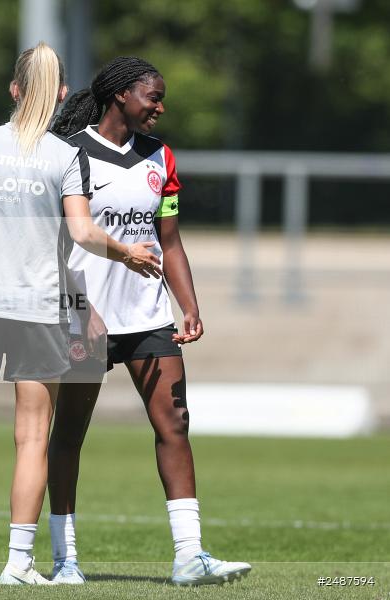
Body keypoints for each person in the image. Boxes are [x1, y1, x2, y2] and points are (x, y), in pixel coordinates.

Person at [0, 43, 163, 585]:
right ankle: (18, 563)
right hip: (41, 309)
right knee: (33, 436)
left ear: (14, 90)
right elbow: (81, 232)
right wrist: (128, 251)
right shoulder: (66, 156)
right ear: (61, 95)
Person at [44, 56, 251, 585]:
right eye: (152, 97)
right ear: (120, 96)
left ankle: (190, 556)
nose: (159, 107)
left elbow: (170, 239)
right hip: (83, 315)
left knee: (175, 424)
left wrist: (190, 305)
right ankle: (65, 560)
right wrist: (79, 306)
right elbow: (56, 242)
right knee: (69, 433)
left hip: (147, 314)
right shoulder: (69, 153)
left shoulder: (161, 156)